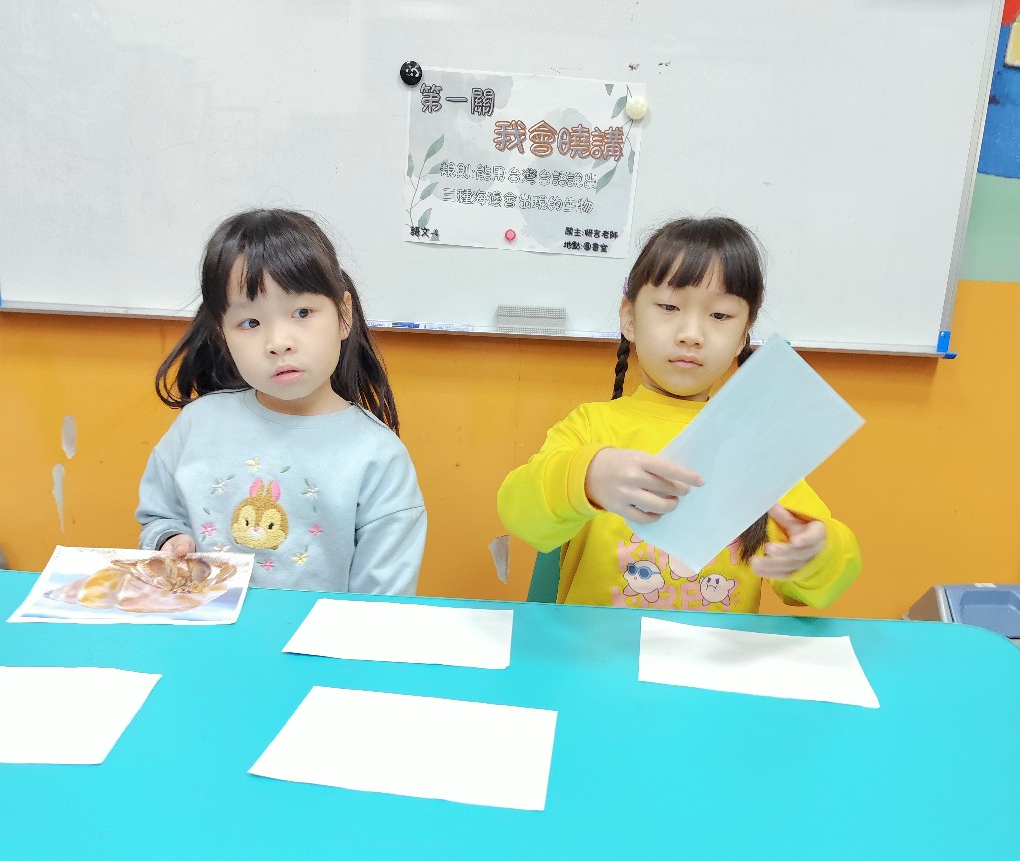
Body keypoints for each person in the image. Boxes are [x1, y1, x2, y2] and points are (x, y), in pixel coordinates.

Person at [497, 217, 860, 612]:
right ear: (630, 318)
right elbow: (521, 515)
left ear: (743, 336)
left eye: (719, 316)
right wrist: (587, 478)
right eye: (669, 307)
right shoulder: (592, 426)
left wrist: (816, 555)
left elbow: (820, 586)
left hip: (711, 651)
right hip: (601, 648)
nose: (692, 334)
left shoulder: (754, 446)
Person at [137, 209, 426, 594]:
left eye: (302, 312)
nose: (278, 342)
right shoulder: (196, 425)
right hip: (203, 626)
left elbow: (381, 602)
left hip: (321, 634)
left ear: (344, 316)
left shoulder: (378, 457)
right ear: (223, 335)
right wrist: (169, 539)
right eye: (250, 323)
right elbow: (159, 518)